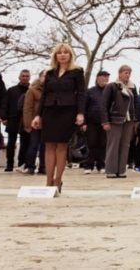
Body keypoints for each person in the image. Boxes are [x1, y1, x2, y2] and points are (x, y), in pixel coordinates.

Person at [32, 43, 86, 194]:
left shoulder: (77, 71)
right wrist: (38, 115)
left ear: (70, 55)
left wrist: (80, 113)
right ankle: (48, 180)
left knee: (61, 146)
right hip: (49, 111)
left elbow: (82, 93)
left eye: (65, 53)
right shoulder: (49, 73)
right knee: (49, 146)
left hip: (67, 112)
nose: (62, 55)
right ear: (55, 56)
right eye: (59, 53)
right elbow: (44, 96)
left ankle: (58, 180)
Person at [102, 65, 139, 179]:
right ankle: (111, 170)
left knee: (125, 144)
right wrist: (105, 121)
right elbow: (104, 105)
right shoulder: (112, 86)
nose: (127, 75)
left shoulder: (132, 87)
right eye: (125, 72)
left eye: (129, 73)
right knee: (113, 144)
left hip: (129, 120)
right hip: (115, 119)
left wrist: (135, 120)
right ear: (119, 73)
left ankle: (121, 170)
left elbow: (136, 104)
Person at [1, 69, 31, 173]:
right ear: (19, 77)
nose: (25, 78)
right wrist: (4, 117)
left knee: (25, 143)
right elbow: (5, 104)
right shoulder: (11, 90)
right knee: (11, 142)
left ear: (29, 78)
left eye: (27, 76)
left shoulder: (32, 90)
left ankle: (21, 164)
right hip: (12, 119)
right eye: (23, 76)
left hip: (26, 120)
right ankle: (9, 164)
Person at [21, 71, 47, 175]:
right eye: (44, 76)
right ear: (40, 77)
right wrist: (28, 124)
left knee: (44, 146)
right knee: (33, 145)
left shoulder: (50, 90)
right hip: (34, 124)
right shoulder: (32, 90)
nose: (46, 78)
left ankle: (43, 167)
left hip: (47, 124)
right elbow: (27, 108)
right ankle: (30, 166)